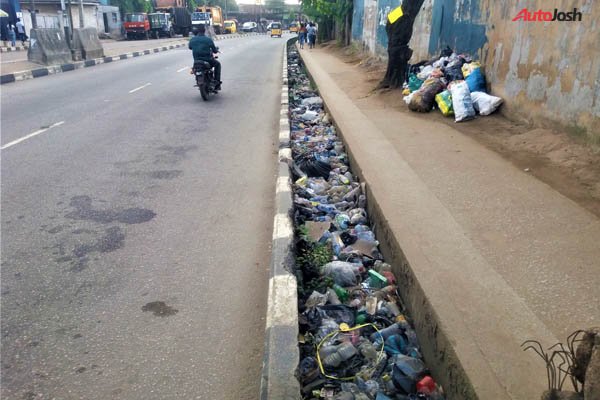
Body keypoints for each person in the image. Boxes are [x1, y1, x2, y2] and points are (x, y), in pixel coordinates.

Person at [188, 24, 221, 90]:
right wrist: (216, 50)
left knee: (195, 69)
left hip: (197, 61)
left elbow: (190, 47)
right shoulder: (208, 40)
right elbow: (214, 51)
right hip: (208, 60)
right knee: (218, 64)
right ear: (204, 31)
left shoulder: (192, 40)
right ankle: (217, 82)